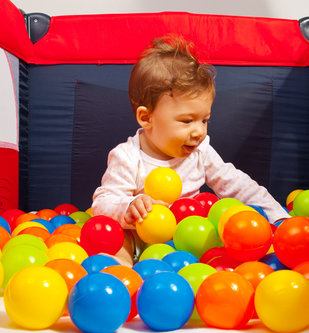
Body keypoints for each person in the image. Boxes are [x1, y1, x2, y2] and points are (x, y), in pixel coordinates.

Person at [92, 35, 290, 266]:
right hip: (142, 241)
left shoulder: (200, 152)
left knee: (229, 234)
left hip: (192, 241)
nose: (198, 132)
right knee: (119, 240)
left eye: (204, 120)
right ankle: (124, 275)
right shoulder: (128, 156)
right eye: (187, 121)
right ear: (146, 118)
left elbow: (238, 185)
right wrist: (129, 207)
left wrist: (280, 218)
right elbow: (103, 202)